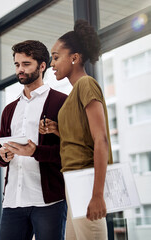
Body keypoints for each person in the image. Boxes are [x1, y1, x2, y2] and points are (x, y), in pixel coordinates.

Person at [0, 40, 68, 240]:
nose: (20, 70)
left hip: (48, 201)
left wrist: (35, 152)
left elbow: (69, 152)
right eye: (17, 65)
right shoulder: (9, 109)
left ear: (42, 66)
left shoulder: (61, 102)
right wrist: (3, 155)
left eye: (26, 64)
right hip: (12, 202)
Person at [46, 19, 113, 239]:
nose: (51, 64)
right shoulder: (73, 95)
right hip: (73, 181)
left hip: (86, 181)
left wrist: (97, 195)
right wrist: (57, 130)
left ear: (74, 58)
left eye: (55, 57)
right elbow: (80, 137)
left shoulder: (86, 84)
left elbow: (101, 139)